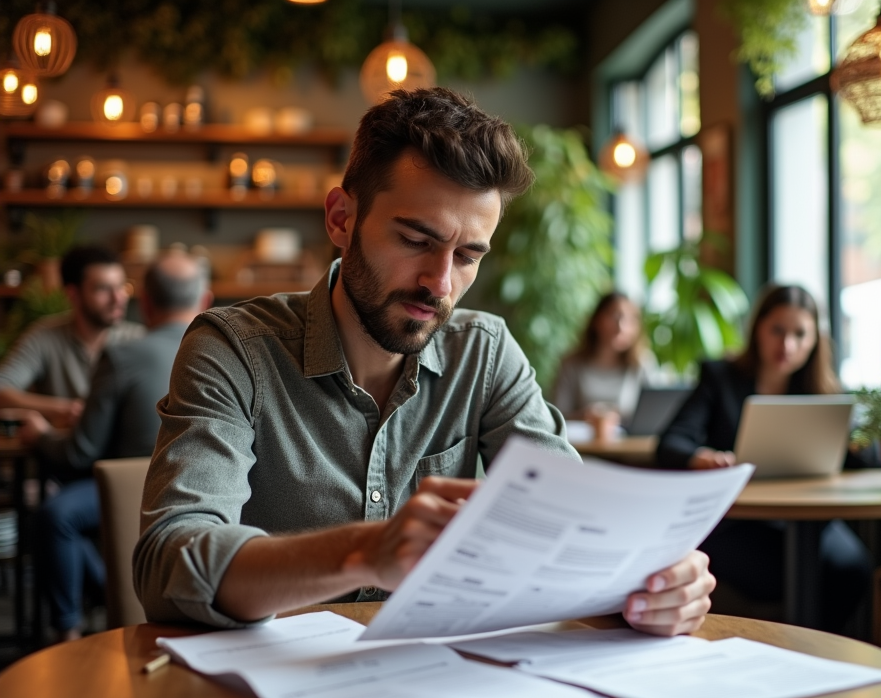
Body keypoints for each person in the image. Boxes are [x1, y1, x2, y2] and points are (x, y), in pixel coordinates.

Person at [133, 87, 715, 637]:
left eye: (466, 256)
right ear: (341, 218)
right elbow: (168, 564)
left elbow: (574, 531)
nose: (440, 283)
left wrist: (653, 580)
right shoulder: (234, 348)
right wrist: (364, 553)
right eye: (415, 239)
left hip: (439, 690)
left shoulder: (484, 353)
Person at [657, 284, 876, 633]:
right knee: (794, 571)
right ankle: (793, 650)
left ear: (814, 341)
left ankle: (817, 655)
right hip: (737, 521)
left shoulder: (824, 393)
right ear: (758, 327)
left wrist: (853, 437)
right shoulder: (720, 378)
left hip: (810, 520)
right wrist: (702, 457)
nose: (787, 345)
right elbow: (671, 443)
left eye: (800, 334)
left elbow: (870, 460)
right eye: (777, 330)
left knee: (853, 567)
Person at [19, 252, 212, 641]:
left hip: (140, 485)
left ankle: (70, 631)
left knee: (57, 516)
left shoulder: (124, 351)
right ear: (205, 300)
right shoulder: (231, 349)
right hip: (211, 486)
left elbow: (81, 452)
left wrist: (40, 436)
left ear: (145, 301)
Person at [0, 246, 144, 428]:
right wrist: (66, 409)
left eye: (121, 287)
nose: (118, 298)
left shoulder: (138, 339)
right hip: (61, 450)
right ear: (73, 294)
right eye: (103, 289)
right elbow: (2, 390)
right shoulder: (44, 335)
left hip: (121, 453)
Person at [553, 292, 661, 425]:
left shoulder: (642, 363)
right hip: (579, 444)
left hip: (631, 444)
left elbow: (655, 413)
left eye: (631, 320)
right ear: (597, 320)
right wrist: (585, 417)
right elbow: (555, 414)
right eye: (615, 316)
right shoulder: (571, 364)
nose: (621, 327)